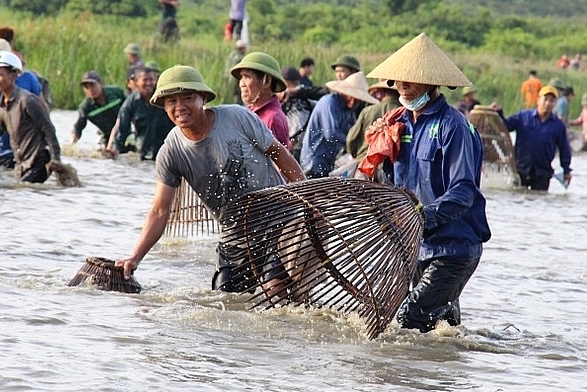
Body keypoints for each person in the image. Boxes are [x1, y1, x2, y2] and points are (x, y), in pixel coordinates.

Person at [114, 65, 306, 294]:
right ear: (164, 107)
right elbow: (159, 211)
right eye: (171, 101)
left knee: (274, 290)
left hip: (277, 220)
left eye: (187, 98)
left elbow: (278, 152)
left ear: (203, 98)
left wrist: (306, 197)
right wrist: (135, 257)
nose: (179, 107)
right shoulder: (171, 151)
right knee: (224, 299)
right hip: (234, 235)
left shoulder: (237, 117)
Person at [362, 33, 491, 333]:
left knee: (409, 321)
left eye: (411, 81)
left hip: (454, 249)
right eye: (399, 81)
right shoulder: (398, 124)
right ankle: (441, 375)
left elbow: (463, 191)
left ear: (431, 83)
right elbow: (395, 186)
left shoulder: (453, 127)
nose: (403, 88)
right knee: (442, 330)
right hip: (418, 246)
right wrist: (379, 156)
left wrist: (419, 217)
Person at [491, 86, 572, 191]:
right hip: (520, 170)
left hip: (542, 173)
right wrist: (499, 113)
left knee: (539, 201)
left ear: (555, 103)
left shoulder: (558, 126)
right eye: (545, 99)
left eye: (551, 100)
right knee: (517, 199)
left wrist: (566, 171)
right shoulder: (523, 117)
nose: (548, 103)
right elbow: (506, 126)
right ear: (538, 100)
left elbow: (564, 149)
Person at [299, 71, 379, 178]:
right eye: (351, 96)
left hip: (328, 162)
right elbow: (331, 134)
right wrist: (353, 145)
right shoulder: (328, 102)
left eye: (357, 100)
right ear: (345, 92)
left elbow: (353, 132)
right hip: (313, 161)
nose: (353, 101)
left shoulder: (349, 111)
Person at [0, 50, 61, 183]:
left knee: (22, 191)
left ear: (13, 76)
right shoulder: (3, 107)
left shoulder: (27, 100)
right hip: (21, 164)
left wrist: (56, 160)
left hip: (40, 161)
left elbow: (48, 128)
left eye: (0, 75)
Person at [107, 66, 174, 160]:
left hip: (167, 149)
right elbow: (122, 126)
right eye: (145, 80)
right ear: (136, 81)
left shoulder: (163, 97)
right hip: (143, 152)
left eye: (151, 79)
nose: (149, 83)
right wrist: (115, 148)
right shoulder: (131, 102)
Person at [230, 51, 290, 148]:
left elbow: (278, 162)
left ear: (266, 81)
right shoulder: (249, 112)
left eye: (247, 77)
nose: (241, 84)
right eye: (241, 77)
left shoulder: (273, 120)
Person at [346, 80, 400, 182]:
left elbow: (350, 139)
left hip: (365, 165)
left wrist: (355, 155)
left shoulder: (367, 111)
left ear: (382, 92)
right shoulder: (403, 113)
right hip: (389, 170)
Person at [70, 70, 126, 148]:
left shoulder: (116, 93)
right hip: (106, 136)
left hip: (125, 132)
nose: (90, 90)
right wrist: (71, 146)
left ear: (101, 84)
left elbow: (132, 109)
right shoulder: (85, 107)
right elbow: (78, 127)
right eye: (86, 87)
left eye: (92, 85)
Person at [279, 66, 314, 162]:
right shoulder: (309, 98)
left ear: (285, 82)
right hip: (306, 150)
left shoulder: (296, 101)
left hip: (294, 148)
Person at [223, 39, 247, 105]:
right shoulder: (241, 57)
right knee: (237, 95)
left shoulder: (231, 55)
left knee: (229, 95)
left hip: (227, 78)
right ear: (242, 48)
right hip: (235, 78)